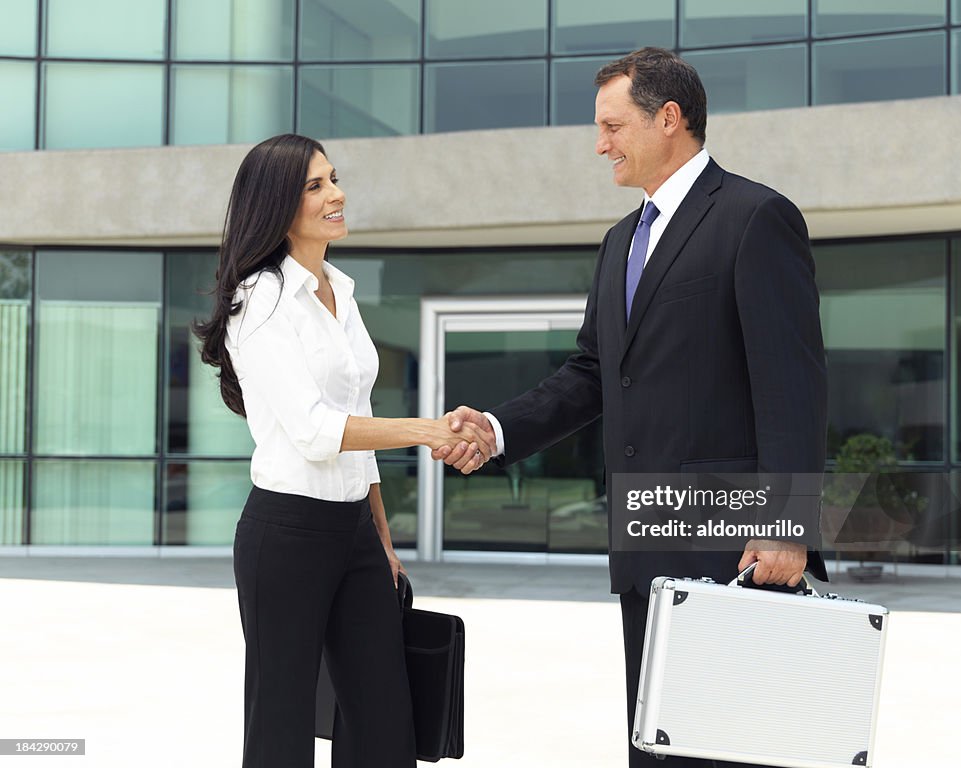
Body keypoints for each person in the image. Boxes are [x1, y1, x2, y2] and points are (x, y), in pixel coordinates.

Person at [435, 49, 828, 768]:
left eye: (613, 126)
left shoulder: (754, 217)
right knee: (656, 750)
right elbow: (592, 374)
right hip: (646, 536)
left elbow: (790, 383)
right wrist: (496, 430)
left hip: (734, 542)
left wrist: (784, 526)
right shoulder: (621, 241)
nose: (600, 144)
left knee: (732, 749)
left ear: (669, 118)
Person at [193, 133, 491, 768]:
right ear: (278, 205)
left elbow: (360, 425)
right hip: (287, 533)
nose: (337, 194)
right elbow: (314, 428)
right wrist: (430, 430)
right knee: (282, 727)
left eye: (333, 179)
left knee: (385, 725)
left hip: (354, 531)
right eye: (316, 186)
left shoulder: (341, 289)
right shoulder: (262, 298)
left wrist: (381, 539)